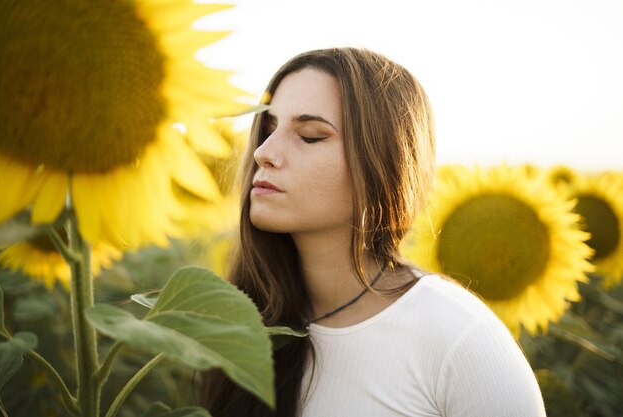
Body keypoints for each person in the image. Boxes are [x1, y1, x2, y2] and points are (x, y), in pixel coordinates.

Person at [200, 47, 546, 417]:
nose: (263, 153)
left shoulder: (459, 338)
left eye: (311, 136)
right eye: (267, 129)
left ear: (383, 162)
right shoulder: (243, 317)